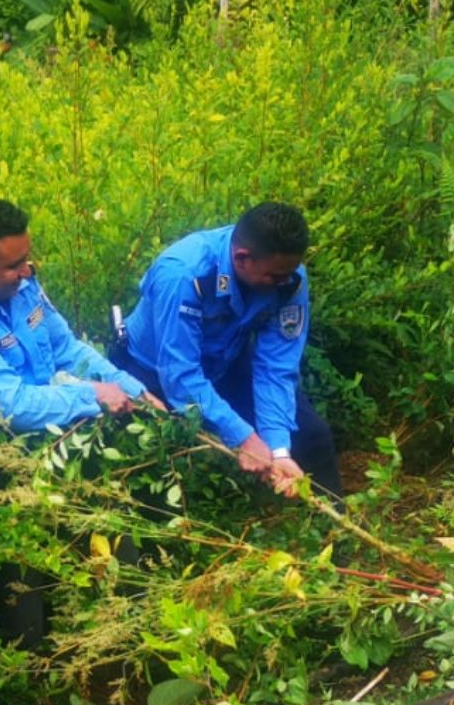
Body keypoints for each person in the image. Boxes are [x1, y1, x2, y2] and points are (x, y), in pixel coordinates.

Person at [111, 202, 342, 499]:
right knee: (155, 467)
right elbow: (180, 376)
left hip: (225, 361)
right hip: (154, 371)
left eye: (289, 273)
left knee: (312, 436)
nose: (284, 284)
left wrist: (278, 448)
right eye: (274, 277)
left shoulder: (288, 276)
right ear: (241, 257)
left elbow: (275, 368)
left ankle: (337, 535)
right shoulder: (183, 274)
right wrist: (243, 437)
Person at [0, 196, 162, 431]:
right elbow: (12, 407)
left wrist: (135, 391)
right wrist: (95, 393)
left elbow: (66, 349)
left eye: (25, 259)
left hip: (59, 422)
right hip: (6, 454)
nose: (26, 272)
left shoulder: (19, 285)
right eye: (14, 266)